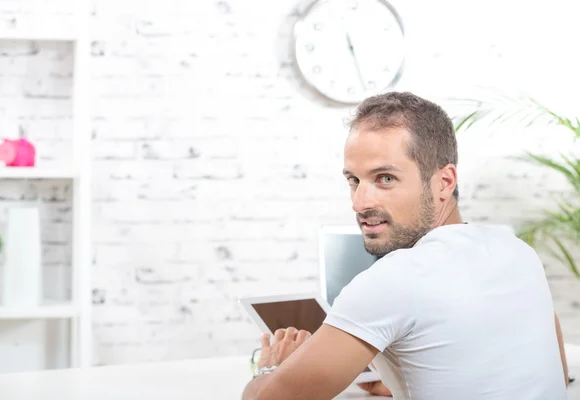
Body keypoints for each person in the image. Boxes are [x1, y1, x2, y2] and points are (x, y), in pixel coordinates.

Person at [241, 92, 570, 400]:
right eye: (354, 180)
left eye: (385, 178)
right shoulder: (518, 252)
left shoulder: (394, 279)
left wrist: (272, 367)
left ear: (444, 182)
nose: (360, 202)